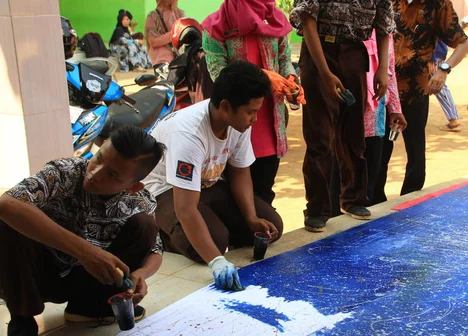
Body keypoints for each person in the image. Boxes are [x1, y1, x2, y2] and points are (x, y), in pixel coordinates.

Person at [0, 126, 166, 336]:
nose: (95, 173)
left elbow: (155, 249)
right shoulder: (63, 173)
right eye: (98, 158)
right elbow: (6, 204)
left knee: (145, 225)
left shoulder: (140, 201)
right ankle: (22, 318)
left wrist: (141, 274)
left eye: (112, 174)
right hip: (40, 275)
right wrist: (85, 252)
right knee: (10, 219)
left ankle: (89, 307)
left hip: (89, 281)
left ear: (133, 187)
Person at [143, 61, 283, 291]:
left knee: (269, 227)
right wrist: (216, 261)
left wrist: (250, 217)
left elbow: (239, 172)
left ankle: (219, 228)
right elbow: (186, 208)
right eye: (251, 112)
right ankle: (160, 231)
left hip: (206, 184)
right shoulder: (188, 134)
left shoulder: (238, 124)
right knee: (213, 244)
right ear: (226, 106)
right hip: (165, 191)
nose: (255, 119)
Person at [290, 0, 395, 232]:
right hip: (320, 50)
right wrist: (324, 73)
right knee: (319, 135)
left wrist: (382, 69)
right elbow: (307, 20)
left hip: (355, 54)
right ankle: (317, 209)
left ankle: (354, 200)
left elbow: (384, 25)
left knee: (353, 132)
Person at [201, 0, 305, 206]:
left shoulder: (275, 19)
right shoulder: (216, 25)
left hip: (269, 123)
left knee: (265, 191)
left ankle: (261, 231)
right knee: (233, 195)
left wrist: (290, 80)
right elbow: (220, 75)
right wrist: (264, 77)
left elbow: (284, 60)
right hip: (235, 125)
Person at [381, 0, 468, 197]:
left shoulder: (437, 4)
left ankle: (411, 198)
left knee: (415, 147)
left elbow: (463, 43)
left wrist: (443, 70)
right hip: (383, 88)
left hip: (417, 88)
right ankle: (375, 198)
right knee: (380, 147)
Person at [331, 31, 406, 214]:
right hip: (344, 111)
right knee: (339, 172)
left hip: (375, 116)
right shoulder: (345, 27)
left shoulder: (384, 33)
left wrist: (395, 108)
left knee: (370, 173)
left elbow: (389, 71)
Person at [428, 41, 461, 131]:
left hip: (434, 54)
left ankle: (453, 119)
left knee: (438, 85)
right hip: (437, 52)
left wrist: (431, 58)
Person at [145, 0, 185, 67]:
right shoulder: (153, 16)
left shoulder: (179, 13)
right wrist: (174, 33)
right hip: (162, 59)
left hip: (179, 58)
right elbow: (153, 42)